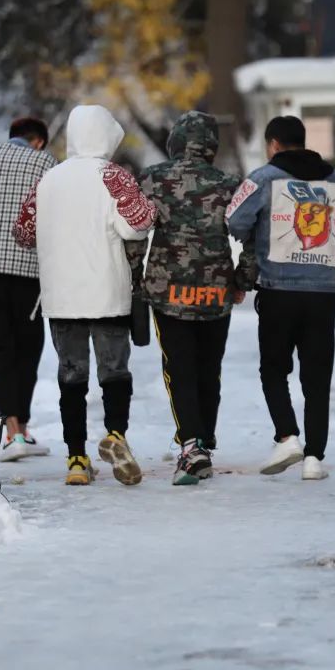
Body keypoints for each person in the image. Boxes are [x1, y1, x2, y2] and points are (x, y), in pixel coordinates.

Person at [13, 104, 156, 486]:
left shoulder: (48, 180)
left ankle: (76, 458)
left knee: (71, 377)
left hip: (61, 296)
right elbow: (138, 224)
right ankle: (115, 436)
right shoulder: (114, 176)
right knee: (115, 371)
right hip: (107, 292)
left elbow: (23, 232)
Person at [226, 115, 335, 480]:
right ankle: (315, 458)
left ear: (272, 144)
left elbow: (234, 219)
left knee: (274, 369)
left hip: (277, 292)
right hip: (321, 294)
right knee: (317, 379)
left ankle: (287, 436)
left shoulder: (263, 179)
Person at [135, 111, 253, 486]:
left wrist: (135, 275)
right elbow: (255, 234)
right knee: (209, 367)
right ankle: (203, 438)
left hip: (168, 290)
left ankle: (192, 444)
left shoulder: (153, 179)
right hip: (216, 289)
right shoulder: (232, 184)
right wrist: (242, 279)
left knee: (179, 369)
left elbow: (133, 230)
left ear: (176, 141)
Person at [0, 117, 57, 462]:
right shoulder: (45, 163)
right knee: (27, 347)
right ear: (38, 142)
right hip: (28, 268)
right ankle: (19, 431)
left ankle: (13, 429)